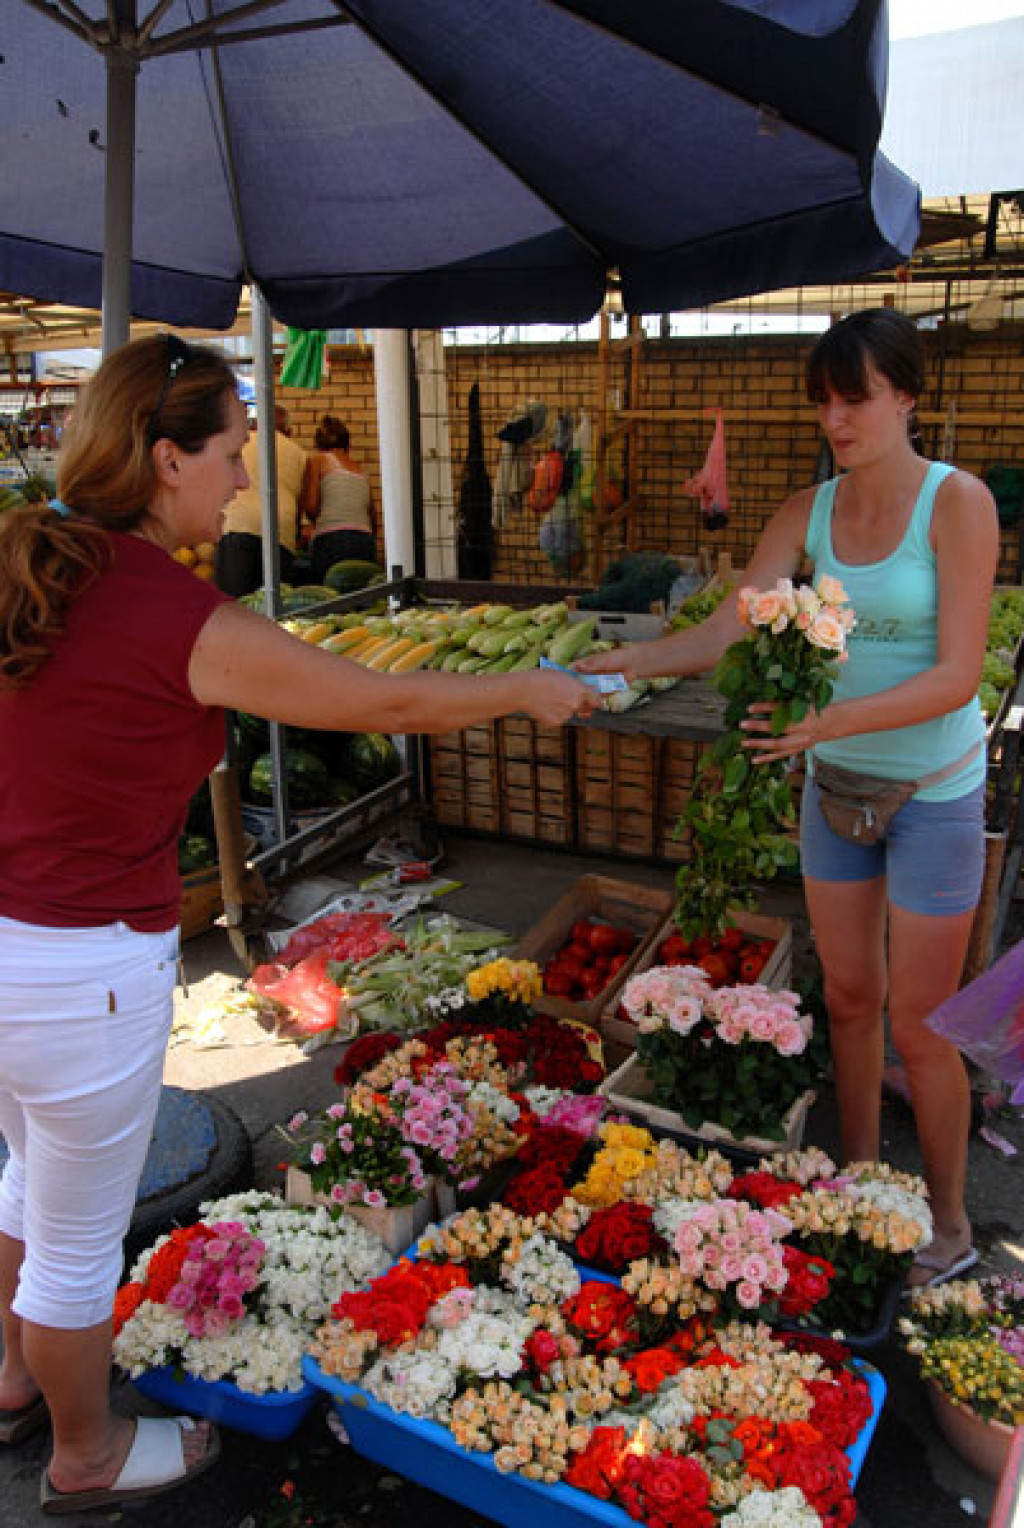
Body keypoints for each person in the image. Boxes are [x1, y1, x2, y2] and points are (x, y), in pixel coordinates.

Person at [0, 332, 593, 1514]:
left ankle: (10, 1380)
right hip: (83, 975)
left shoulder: (31, 564)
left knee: (19, 1182)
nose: (239, 476)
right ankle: (85, 1454)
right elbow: (383, 697)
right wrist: (524, 689)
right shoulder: (166, 607)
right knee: (75, 1242)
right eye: (227, 451)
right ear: (166, 458)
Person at [578, 308, 998, 1291]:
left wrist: (822, 726)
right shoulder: (805, 513)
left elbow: (954, 678)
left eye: (853, 397)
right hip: (833, 785)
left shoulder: (956, 503)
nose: (836, 419)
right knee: (847, 1000)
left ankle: (945, 1220)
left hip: (932, 789)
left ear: (905, 393)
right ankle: (856, 1187)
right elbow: (731, 626)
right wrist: (634, 657)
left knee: (921, 1023)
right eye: (824, 401)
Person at [214, 402, 311, 596]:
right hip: (280, 530)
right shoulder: (300, 454)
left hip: (239, 524)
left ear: (253, 424)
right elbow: (303, 502)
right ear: (288, 430)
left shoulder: (239, 444)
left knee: (234, 603)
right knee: (274, 604)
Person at [304, 414, 377, 585]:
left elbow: (311, 506)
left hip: (333, 541)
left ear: (318, 444)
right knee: (361, 603)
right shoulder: (360, 470)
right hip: (364, 541)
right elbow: (373, 518)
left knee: (328, 600)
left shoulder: (318, 460)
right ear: (347, 445)